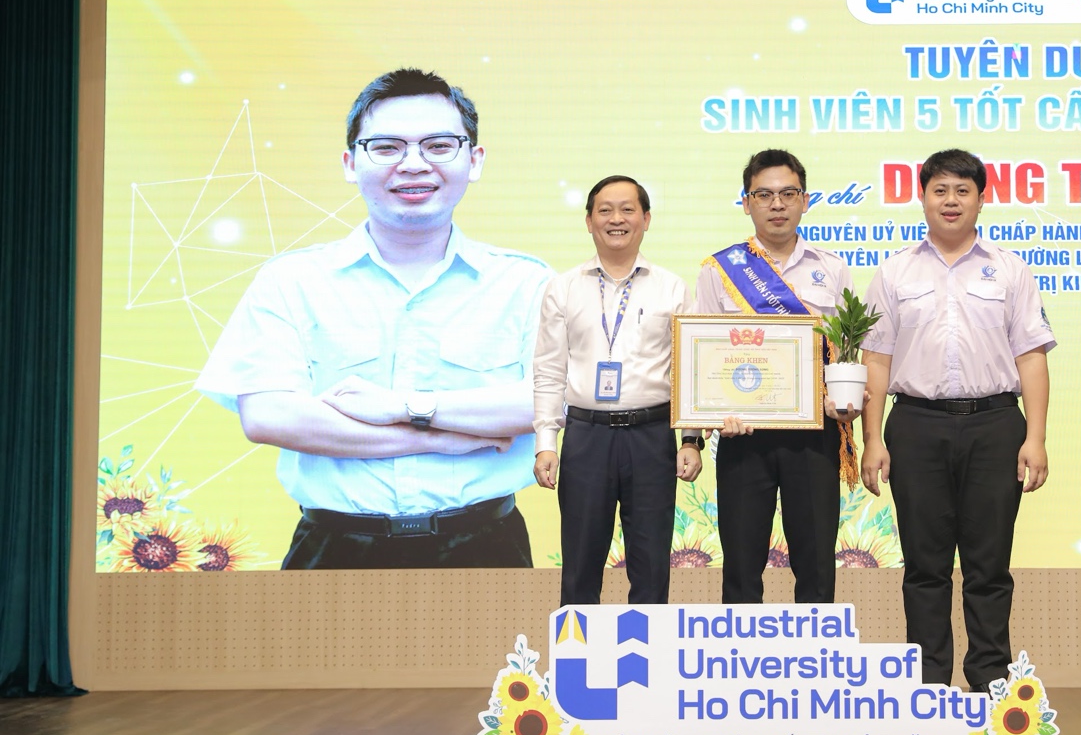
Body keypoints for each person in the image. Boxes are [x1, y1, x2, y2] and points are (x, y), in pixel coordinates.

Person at [197, 68, 551, 569]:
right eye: (386, 147)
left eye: (438, 146)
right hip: (334, 547)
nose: (413, 164)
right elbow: (268, 415)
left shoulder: (526, 283)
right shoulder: (292, 280)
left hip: (486, 545)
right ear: (350, 162)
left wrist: (401, 406)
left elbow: (552, 402)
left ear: (473, 160)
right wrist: (447, 438)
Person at [859, 148, 1055, 691]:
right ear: (922, 198)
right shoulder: (895, 270)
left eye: (962, 191)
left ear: (981, 199)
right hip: (915, 425)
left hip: (996, 426)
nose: (951, 201)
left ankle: (991, 681)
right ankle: (927, 683)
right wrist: (871, 438)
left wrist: (1035, 437)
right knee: (925, 566)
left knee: (988, 566)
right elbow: (875, 360)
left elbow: (1031, 358)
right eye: (940, 190)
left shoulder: (1010, 269)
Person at [694, 149, 860, 603]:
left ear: (805, 200)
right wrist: (701, 425)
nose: (777, 204)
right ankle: (740, 648)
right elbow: (700, 355)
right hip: (743, 433)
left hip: (814, 431)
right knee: (741, 567)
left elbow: (847, 348)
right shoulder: (719, 270)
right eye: (763, 195)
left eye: (788, 193)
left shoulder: (832, 269)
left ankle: (817, 647)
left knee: (817, 564)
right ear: (746, 203)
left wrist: (844, 397)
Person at [532, 176, 701, 605]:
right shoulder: (563, 287)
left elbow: (688, 370)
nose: (616, 219)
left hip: (652, 436)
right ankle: (578, 649)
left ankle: (648, 649)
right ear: (589, 221)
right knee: (579, 566)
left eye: (627, 209)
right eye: (605, 210)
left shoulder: (671, 287)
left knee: (651, 568)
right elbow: (549, 369)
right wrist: (546, 443)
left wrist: (691, 438)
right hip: (586, 437)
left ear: (646, 219)